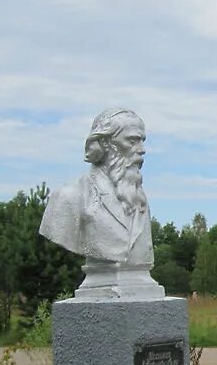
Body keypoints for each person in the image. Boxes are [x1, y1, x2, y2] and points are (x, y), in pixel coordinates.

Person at [40, 108, 153, 266]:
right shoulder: (71, 196)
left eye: (142, 141)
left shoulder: (138, 198)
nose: (142, 150)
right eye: (132, 141)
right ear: (105, 143)